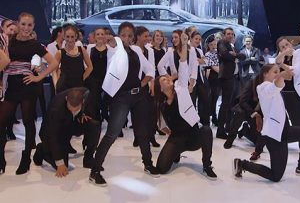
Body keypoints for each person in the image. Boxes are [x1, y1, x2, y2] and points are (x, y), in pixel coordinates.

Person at [89, 22, 157, 187]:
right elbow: (113, 43)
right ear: (119, 35)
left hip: (138, 97)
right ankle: (95, 171)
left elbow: (150, 70)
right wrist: (112, 40)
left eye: (130, 35)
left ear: (134, 37)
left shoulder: (137, 51)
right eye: (123, 35)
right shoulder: (114, 49)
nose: (127, 38)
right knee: (112, 134)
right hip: (121, 98)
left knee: (142, 132)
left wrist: (142, 84)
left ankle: (148, 164)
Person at [233, 64, 300, 182]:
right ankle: (243, 164)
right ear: (265, 74)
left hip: (285, 130)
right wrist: (282, 74)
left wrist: (284, 72)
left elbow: (279, 84)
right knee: (276, 176)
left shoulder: (274, 86)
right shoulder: (262, 87)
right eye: (275, 72)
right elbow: (274, 87)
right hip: (274, 136)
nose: (277, 74)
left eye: (278, 72)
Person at [0, 12, 58, 175]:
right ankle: (0, 159)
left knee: (28, 121)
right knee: (1, 122)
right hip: (10, 87)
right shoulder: (8, 41)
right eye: (23, 24)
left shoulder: (35, 45)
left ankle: (26, 159)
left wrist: (38, 77)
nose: (26, 28)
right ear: (17, 24)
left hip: (27, 87)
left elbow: (53, 63)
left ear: (33, 26)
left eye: (29, 25)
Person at [154, 31, 217, 180]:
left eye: (168, 78)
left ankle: (207, 165)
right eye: (163, 80)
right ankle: (176, 152)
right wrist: (164, 129)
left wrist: (183, 44)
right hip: (176, 138)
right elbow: (161, 123)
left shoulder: (181, 89)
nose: (168, 79)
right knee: (162, 168)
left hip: (192, 135)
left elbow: (183, 65)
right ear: (160, 88)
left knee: (206, 130)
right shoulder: (161, 104)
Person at [33, 87, 101, 177]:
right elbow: (53, 136)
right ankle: (41, 149)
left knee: (94, 125)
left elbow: (88, 107)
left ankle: (88, 158)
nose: (73, 111)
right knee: (64, 166)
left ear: (83, 101)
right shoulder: (56, 109)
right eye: (70, 108)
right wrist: (59, 163)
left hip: (72, 123)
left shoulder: (86, 93)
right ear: (66, 99)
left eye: (76, 109)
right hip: (52, 133)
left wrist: (83, 113)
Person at [216, 27, 245, 139]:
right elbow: (225, 55)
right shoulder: (222, 42)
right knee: (225, 104)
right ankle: (220, 130)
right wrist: (234, 55)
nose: (230, 36)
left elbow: (243, 56)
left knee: (230, 104)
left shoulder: (232, 46)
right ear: (224, 35)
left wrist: (234, 54)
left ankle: (227, 127)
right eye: (228, 34)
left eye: (232, 34)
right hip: (226, 77)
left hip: (234, 77)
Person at [54, 25, 93, 93]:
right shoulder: (60, 53)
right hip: (64, 87)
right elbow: (54, 70)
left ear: (76, 36)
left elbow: (90, 67)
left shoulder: (81, 50)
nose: (70, 39)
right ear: (64, 37)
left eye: (72, 37)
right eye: (67, 37)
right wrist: (56, 85)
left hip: (79, 87)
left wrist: (82, 79)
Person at [190, 31, 210, 126]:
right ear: (191, 39)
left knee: (205, 100)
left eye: (199, 39)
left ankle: (204, 122)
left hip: (200, 78)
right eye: (196, 39)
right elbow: (194, 62)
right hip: (191, 80)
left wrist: (199, 61)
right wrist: (199, 60)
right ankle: (192, 124)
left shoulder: (200, 50)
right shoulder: (188, 49)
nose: (198, 41)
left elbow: (205, 62)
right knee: (192, 102)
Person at [204, 35, 220, 126]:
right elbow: (215, 68)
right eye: (211, 44)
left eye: (215, 44)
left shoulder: (219, 53)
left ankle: (214, 117)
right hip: (212, 78)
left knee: (215, 98)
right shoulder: (207, 55)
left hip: (219, 78)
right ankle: (212, 117)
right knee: (212, 99)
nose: (214, 46)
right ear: (208, 45)